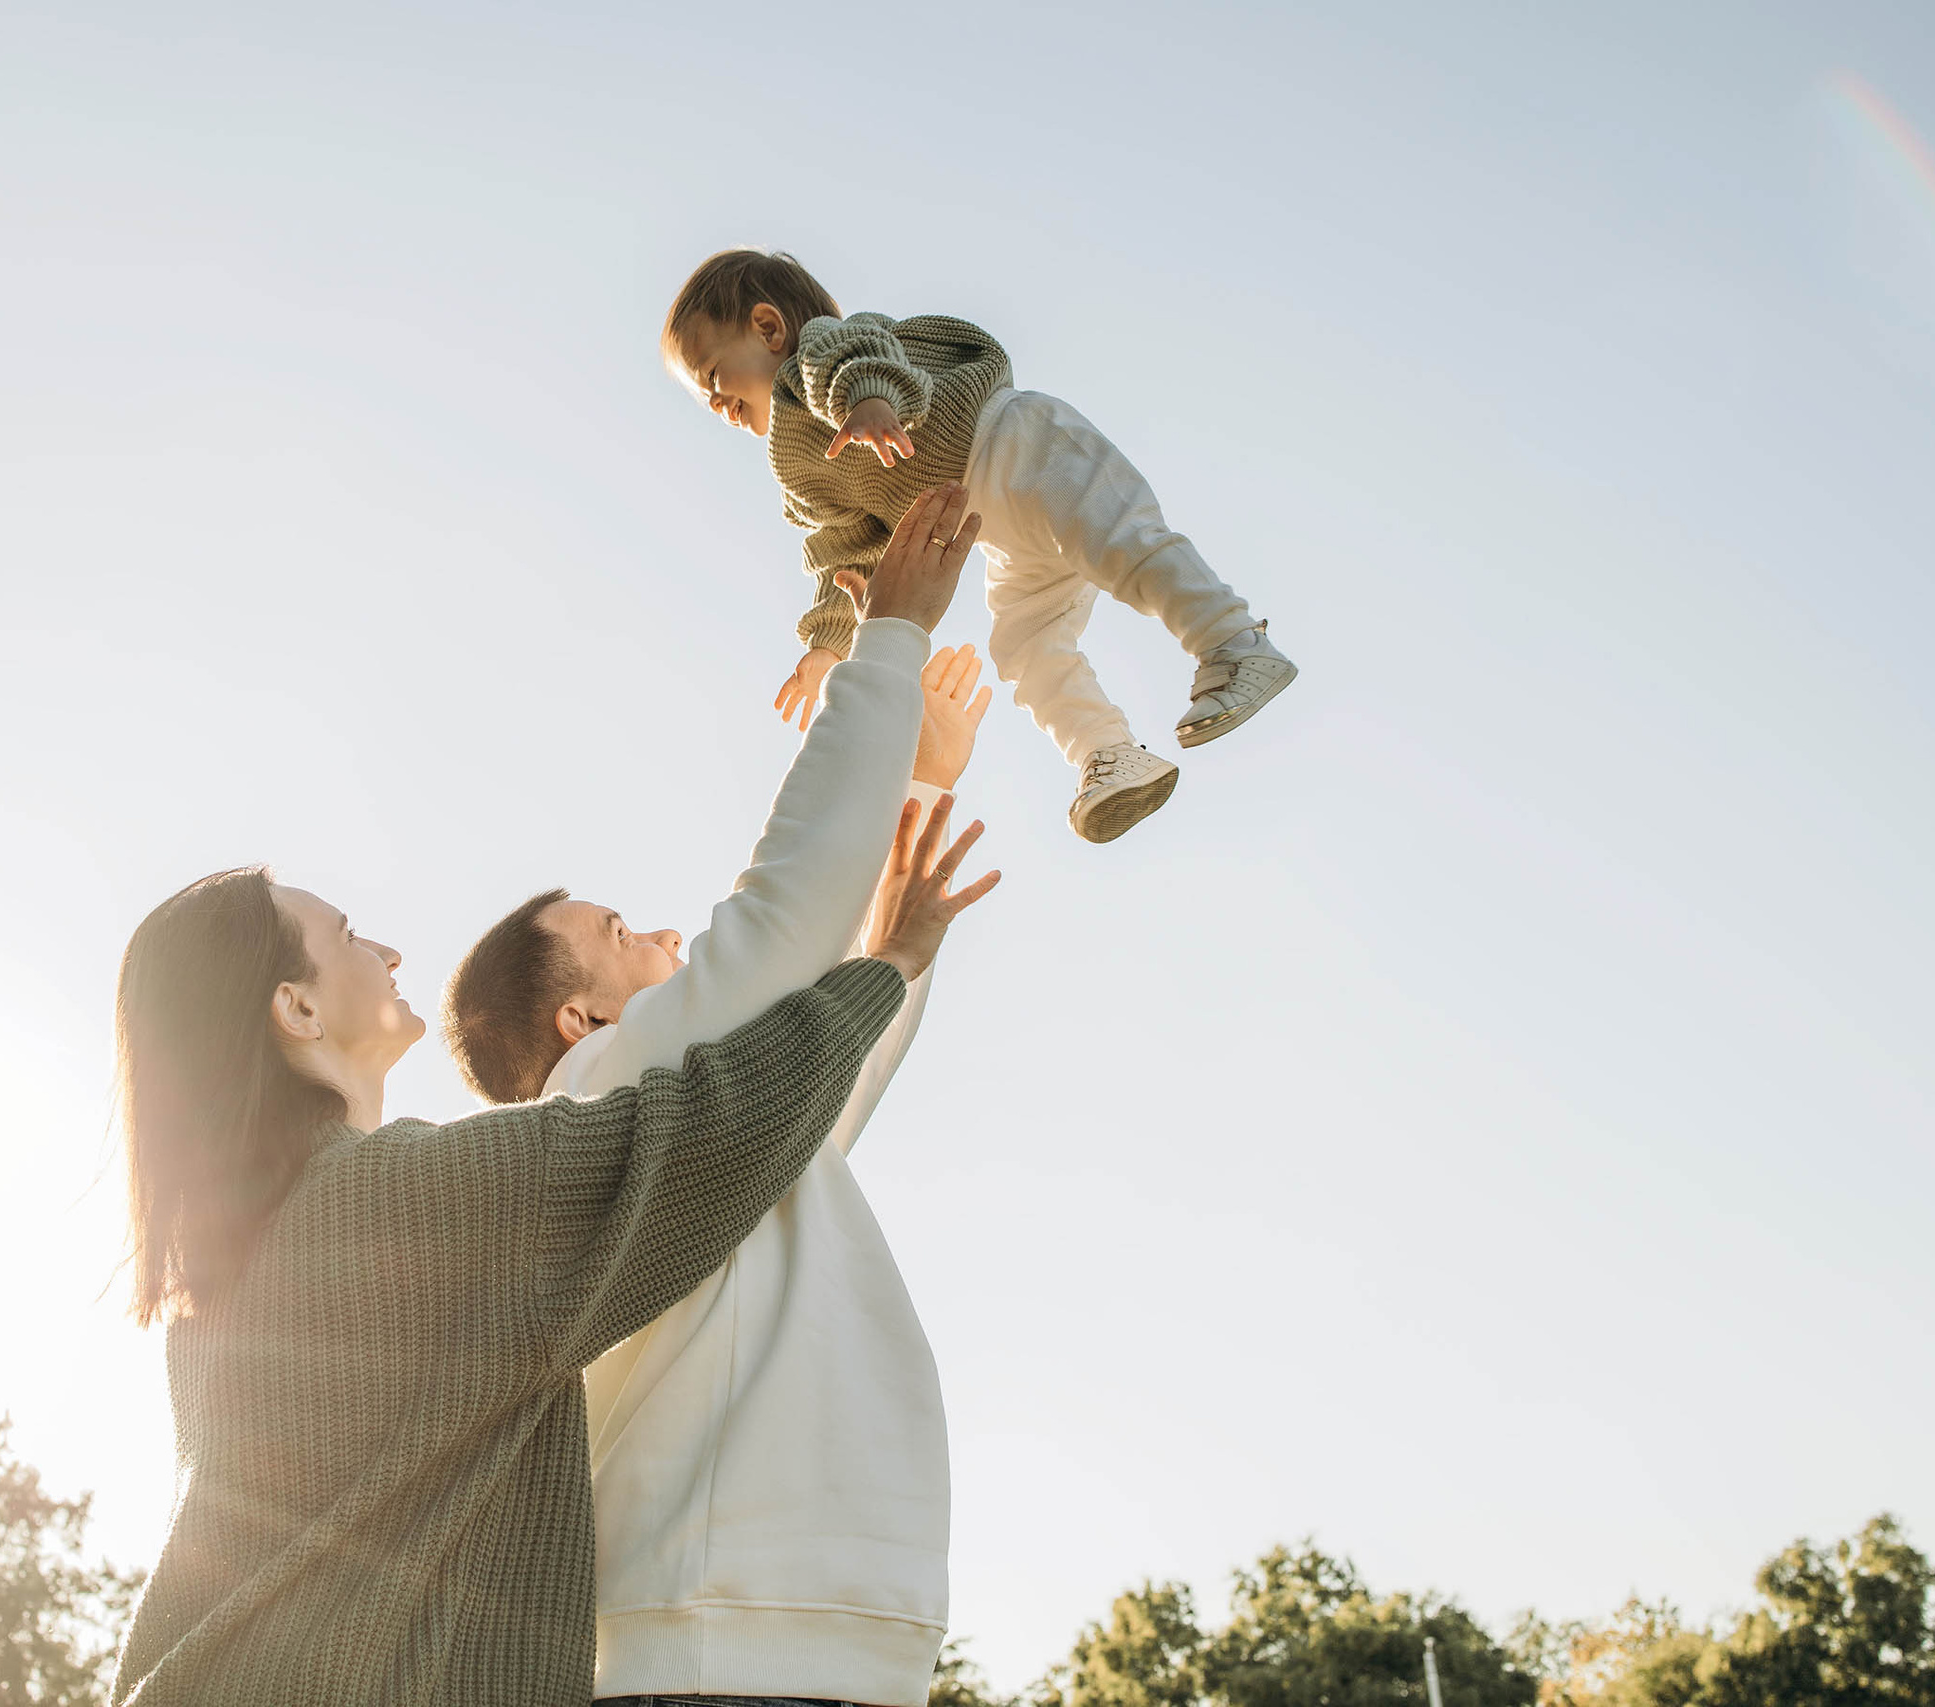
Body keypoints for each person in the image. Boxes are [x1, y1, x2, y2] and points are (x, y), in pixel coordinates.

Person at [105, 492, 994, 1707]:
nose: (390, 952)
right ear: (293, 1012)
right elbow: (743, 1031)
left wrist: (893, 927)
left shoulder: (300, 1248)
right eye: (348, 935)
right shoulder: (419, 1194)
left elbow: (792, 1104)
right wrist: (885, 643)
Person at [441, 487, 998, 1707]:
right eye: (617, 931)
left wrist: (912, 799)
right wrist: (888, 640)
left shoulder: (702, 1125)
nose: (662, 931)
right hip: (714, 1646)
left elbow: (833, 1052)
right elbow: (778, 924)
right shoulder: (591, 1103)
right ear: (578, 1024)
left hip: (812, 1640)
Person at [662, 246, 1300, 845]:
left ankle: (1234, 643)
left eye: (713, 376)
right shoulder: (799, 465)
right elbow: (841, 549)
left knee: (1122, 545)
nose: (715, 404)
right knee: (1023, 645)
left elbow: (857, 356)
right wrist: (828, 640)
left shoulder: (819, 357)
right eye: (702, 400)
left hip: (1018, 442)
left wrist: (871, 399)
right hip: (996, 529)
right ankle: (1107, 753)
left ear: (769, 329)